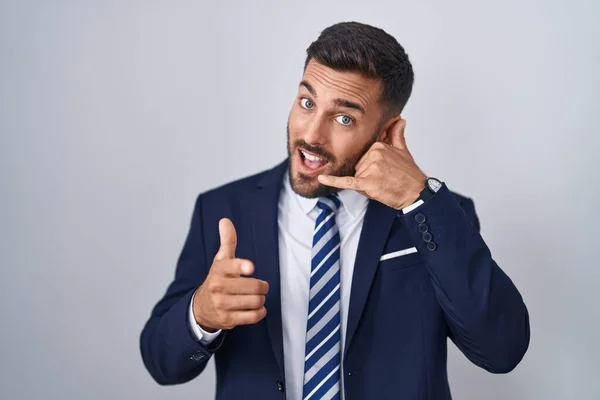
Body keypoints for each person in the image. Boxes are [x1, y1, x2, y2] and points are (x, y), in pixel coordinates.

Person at [140, 21, 530, 400]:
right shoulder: (222, 210)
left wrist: (418, 198)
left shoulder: (436, 218)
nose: (311, 134)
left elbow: (501, 350)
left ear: (385, 132)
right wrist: (201, 315)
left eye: (344, 118)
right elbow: (162, 363)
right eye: (307, 102)